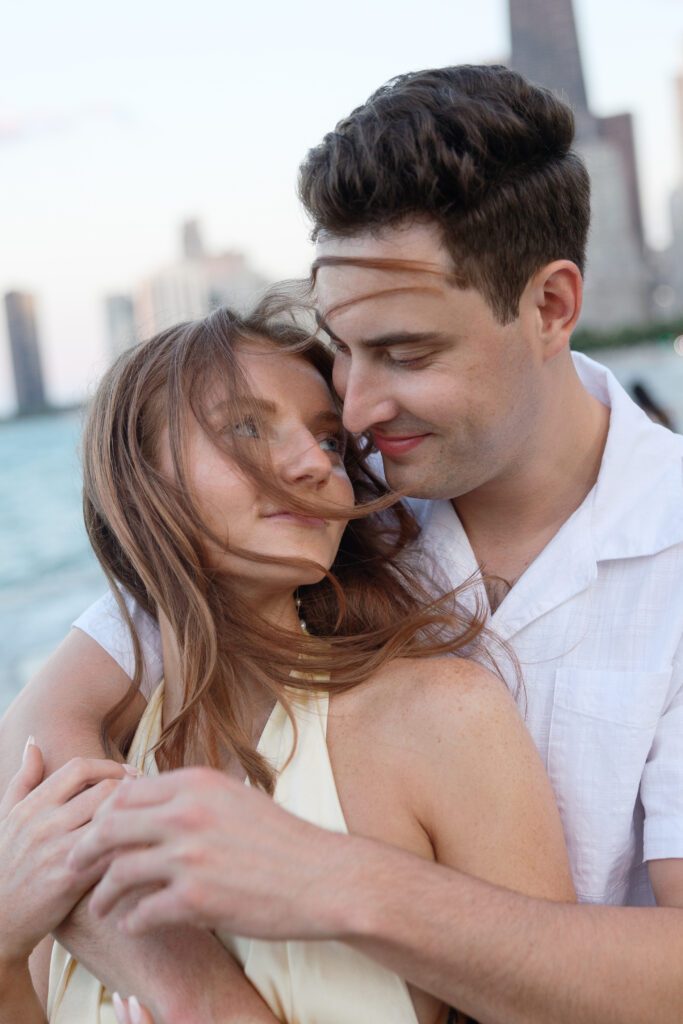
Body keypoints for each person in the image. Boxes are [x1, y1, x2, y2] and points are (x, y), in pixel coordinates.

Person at [2, 62, 683, 1022]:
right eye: (342, 348)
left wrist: (329, 881)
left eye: (406, 352)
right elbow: (38, 731)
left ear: (550, 307)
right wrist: (164, 964)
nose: (354, 410)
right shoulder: (324, 511)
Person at [0, 305, 574, 1023]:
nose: (313, 464)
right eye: (245, 426)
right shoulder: (87, 767)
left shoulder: (437, 716)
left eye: (330, 442)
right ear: (137, 475)